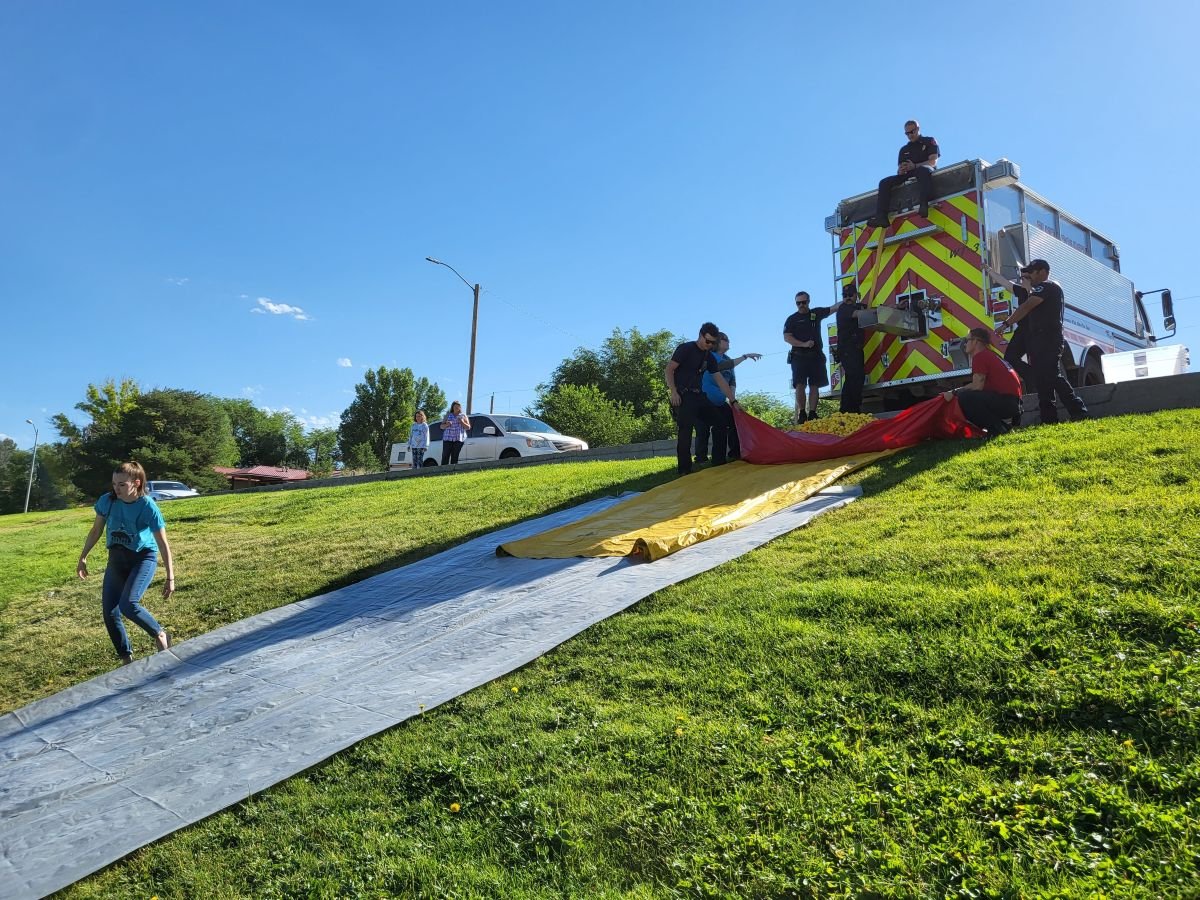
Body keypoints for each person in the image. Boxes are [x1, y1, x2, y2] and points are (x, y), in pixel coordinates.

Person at [77, 461, 175, 665]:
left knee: (128, 604)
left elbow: (163, 543)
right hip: (117, 559)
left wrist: (170, 577)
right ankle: (126, 659)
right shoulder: (107, 501)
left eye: (122, 484)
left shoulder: (147, 506)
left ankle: (160, 634)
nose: (116, 488)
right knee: (109, 612)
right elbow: (96, 531)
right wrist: (83, 557)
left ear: (136, 483)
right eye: (114, 483)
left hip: (143, 557)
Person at [995, 259, 1088, 425]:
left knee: (1051, 375)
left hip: (1049, 339)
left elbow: (1026, 307)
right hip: (1039, 340)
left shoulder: (1047, 287)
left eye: (1032, 272)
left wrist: (1006, 323)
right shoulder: (1038, 289)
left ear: (1042, 272)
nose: (1029, 275)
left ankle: (1078, 411)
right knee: (1043, 380)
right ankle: (1049, 419)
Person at [665, 322, 738, 476]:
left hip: (700, 396)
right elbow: (669, 369)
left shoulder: (709, 356)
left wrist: (733, 401)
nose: (710, 345)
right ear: (701, 335)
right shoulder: (686, 349)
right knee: (686, 430)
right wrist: (674, 392)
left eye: (713, 343)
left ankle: (718, 461)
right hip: (684, 396)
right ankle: (685, 469)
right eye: (708, 341)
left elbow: (720, 380)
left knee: (720, 423)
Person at [694, 333, 761, 463]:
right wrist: (745, 357)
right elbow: (724, 366)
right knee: (704, 429)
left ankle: (734, 453)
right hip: (705, 400)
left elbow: (732, 382)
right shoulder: (710, 357)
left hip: (720, 402)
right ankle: (703, 458)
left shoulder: (728, 358)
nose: (729, 342)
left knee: (734, 421)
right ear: (718, 342)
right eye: (726, 339)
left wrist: (732, 401)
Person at [944, 328, 1023, 436]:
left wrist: (953, 393)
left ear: (976, 341)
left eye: (967, 340)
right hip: (1014, 403)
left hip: (1007, 403)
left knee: (965, 398)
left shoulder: (980, 356)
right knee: (969, 396)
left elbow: (977, 386)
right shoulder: (990, 355)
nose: (964, 344)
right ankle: (1003, 428)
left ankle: (997, 430)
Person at [867, 120, 940, 228]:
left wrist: (915, 166)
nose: (910, 135)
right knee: (884, 182)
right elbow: (900, 168)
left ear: (918, 129)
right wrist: (901, 171)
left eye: (912, 131)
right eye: (907, 133)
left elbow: (933, 162)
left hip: (924, 172)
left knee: (924, 170)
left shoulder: (929, 141)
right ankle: (881, 217)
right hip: (908, 174)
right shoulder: (904, 149)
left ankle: (924, 204)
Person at [784, 290, 842, 423]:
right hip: (799, 356)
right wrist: (803, 344)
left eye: (804, 302)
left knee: (815, 385)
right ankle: (802, 413)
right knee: (800, 384)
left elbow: (833, 308)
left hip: (816, 356)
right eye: (798, 303)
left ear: (808, 301)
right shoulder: (792, 319)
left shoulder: (816, 313)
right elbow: (787, 337)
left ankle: (812, 413)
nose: (801, 305)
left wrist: (847, 300)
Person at [985, 264, 1035, 390]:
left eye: (1023, 278)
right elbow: (1005, 283)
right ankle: (1031, 375)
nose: (1021, 280)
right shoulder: (1021, 292)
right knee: (1010, 357)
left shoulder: (1038, 294)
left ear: (1030, 279)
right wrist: (989, 270)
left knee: (1034, 360)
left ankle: (1035, 383)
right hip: (1022, 330)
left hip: (1034, 331)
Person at [835, 283, 869, 413]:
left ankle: (850, 409)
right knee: (854, 376)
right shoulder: (844, 308)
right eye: (845, 295)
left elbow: (874, 309)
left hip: (856, 349)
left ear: (856, 295)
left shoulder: (858, 307)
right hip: (847, 349)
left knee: (856, 377)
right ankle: (849, 409)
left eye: (850, 295)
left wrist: (894, 307)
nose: (847, 298)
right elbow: (858, 314)